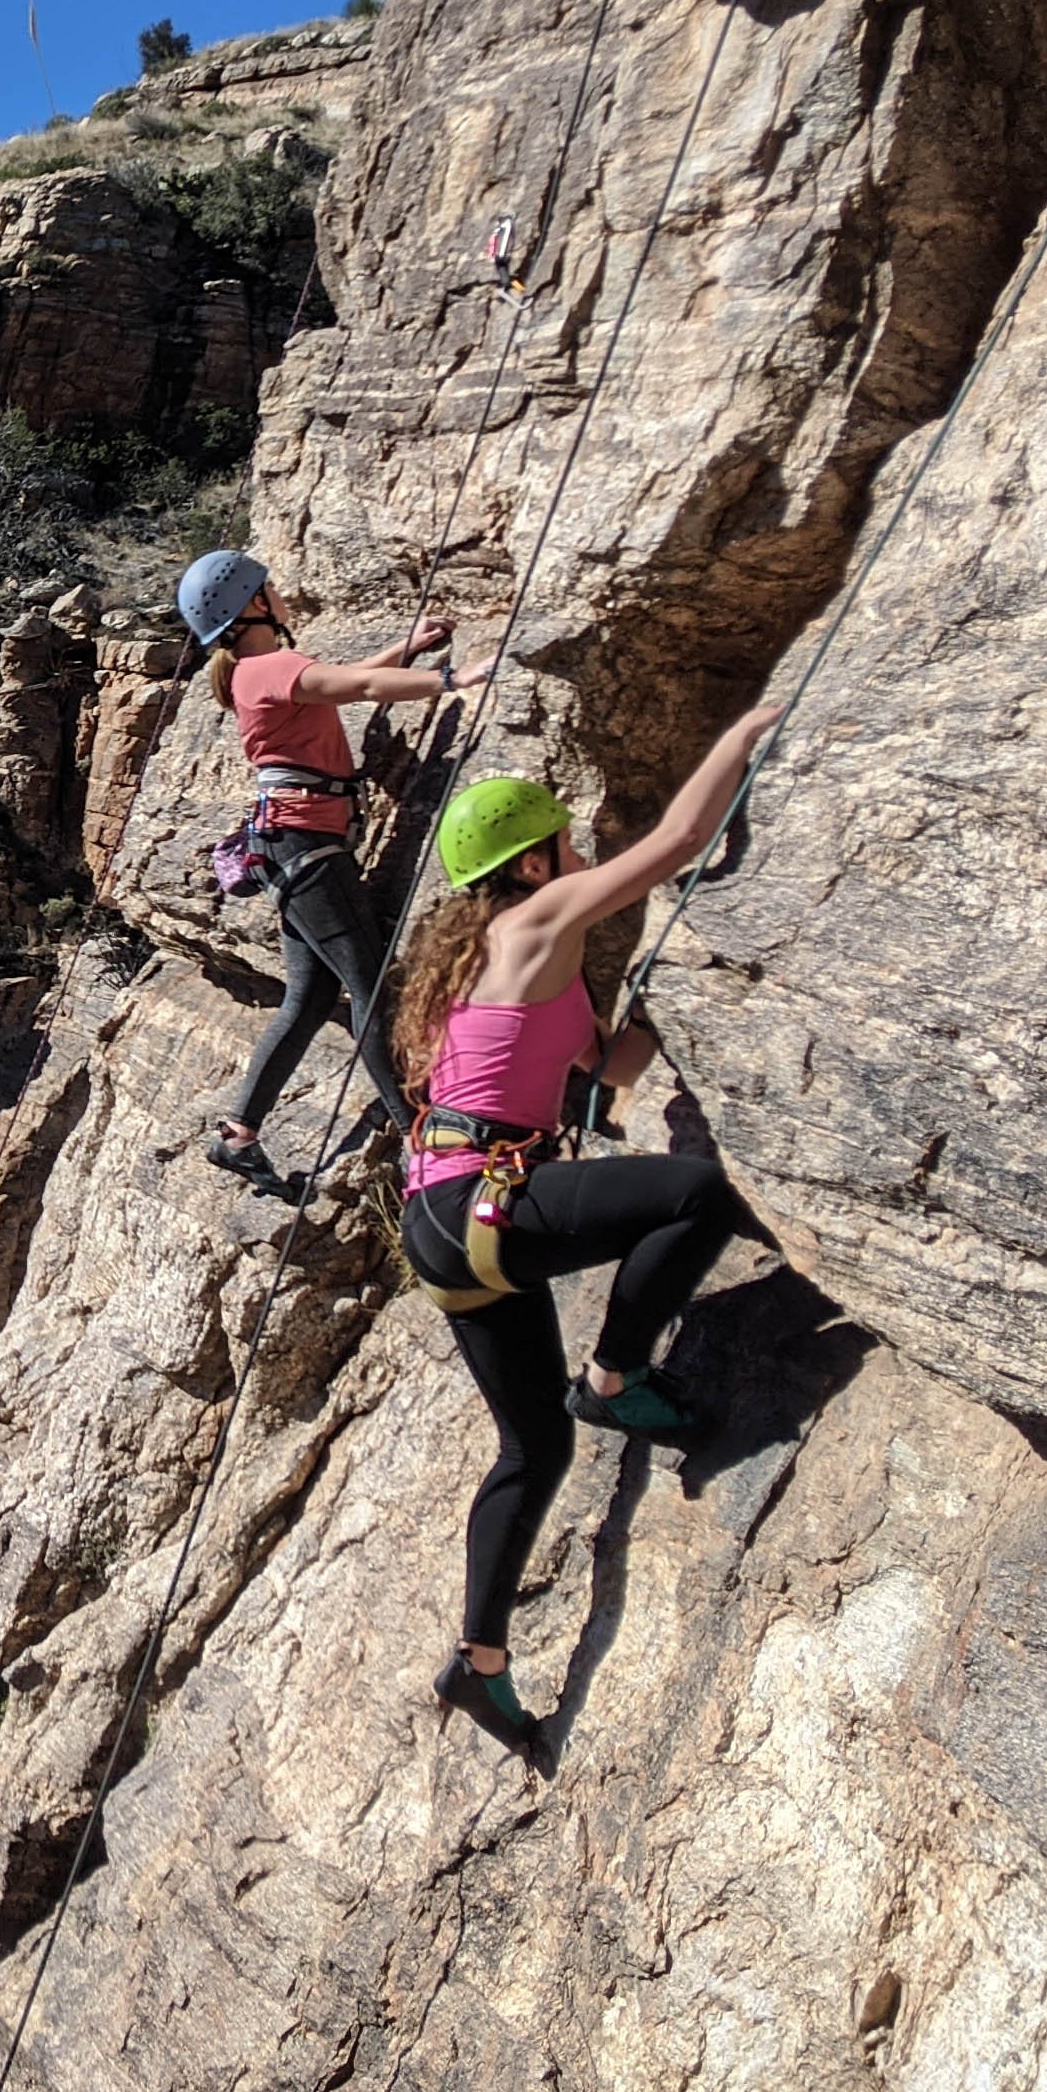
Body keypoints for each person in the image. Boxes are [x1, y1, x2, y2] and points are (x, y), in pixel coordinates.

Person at [388, 704, 780, 1761]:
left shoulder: (481, 957)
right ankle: (614, 1378)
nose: (582, 852)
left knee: (532, 1447)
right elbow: (680, 846)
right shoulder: (541, 919)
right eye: (563, 842)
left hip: (441, 1220)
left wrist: (665, 1007)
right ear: (533, 863)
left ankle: (480, 1662)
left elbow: (607, 1075)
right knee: (697, 1194)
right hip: (488, 1202)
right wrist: (740, 732)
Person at [173, 549, 494, 1202]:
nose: (283, 595)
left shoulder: (253, 672)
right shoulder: (273, 666)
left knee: (312, 998)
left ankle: (238, 1131)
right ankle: (425, 1144)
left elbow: (341, 680)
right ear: (254, 606)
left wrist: (408, 647)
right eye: (273, 589)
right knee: (371, 992)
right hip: (308, 851)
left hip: (290, 847)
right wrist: (453, 680)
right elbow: (358, 688)